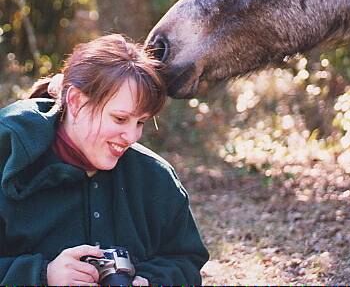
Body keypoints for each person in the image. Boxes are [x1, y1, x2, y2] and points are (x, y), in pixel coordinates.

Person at [0, 34, 209, 285]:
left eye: (140, 122)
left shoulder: (156, 177)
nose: (132, 136)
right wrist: (42, 274)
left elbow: (186, 260)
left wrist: (151, 281)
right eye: (120, 119)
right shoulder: (8, 155)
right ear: (76, 101)